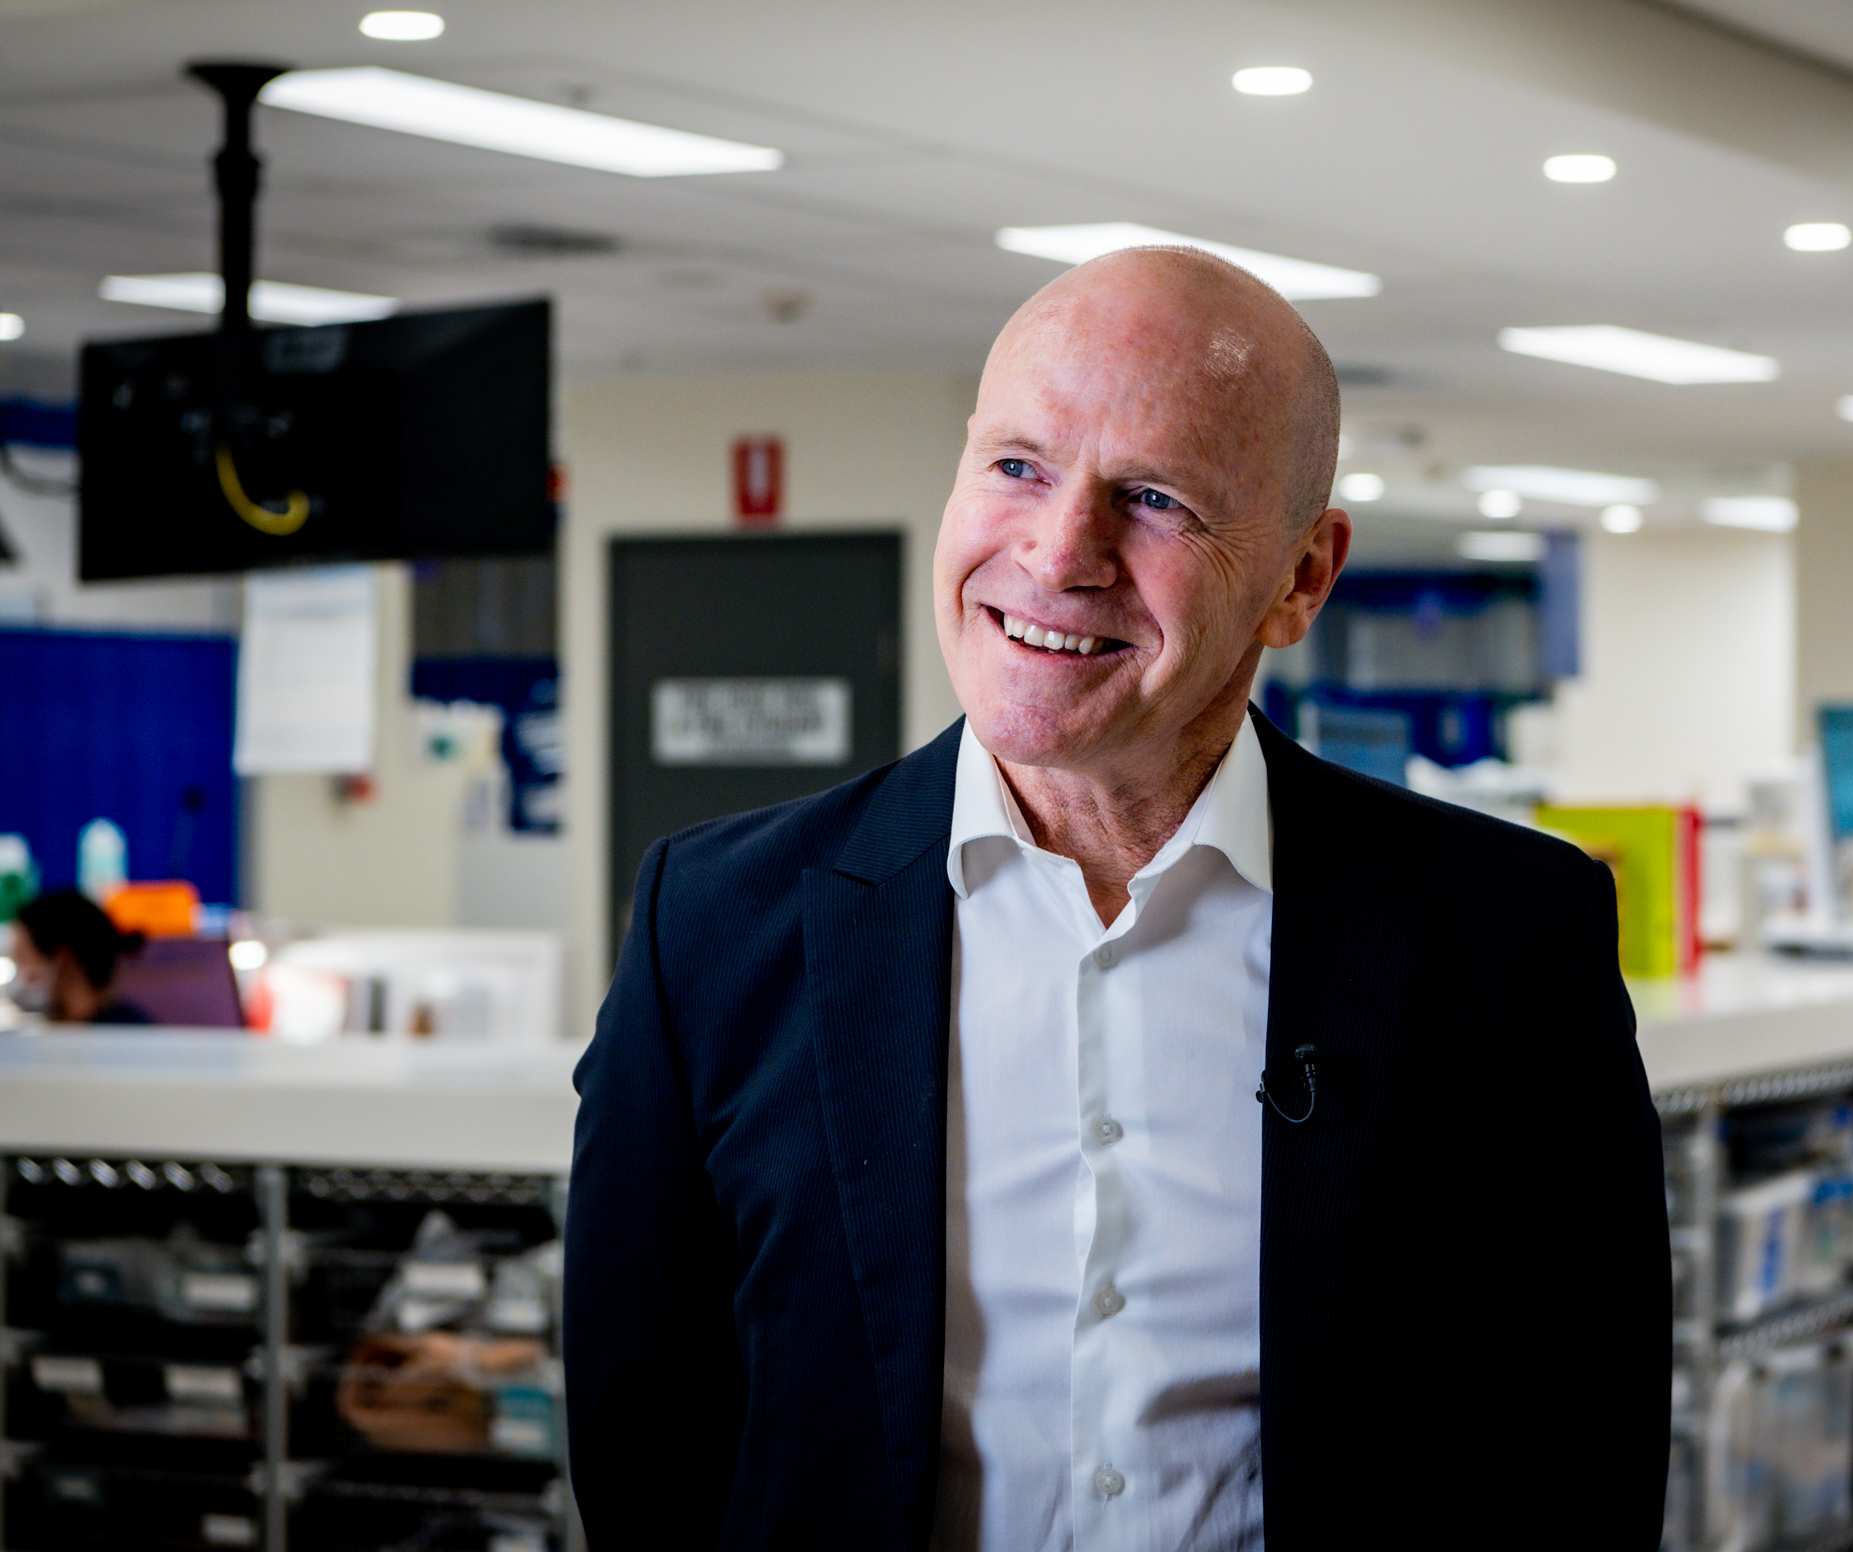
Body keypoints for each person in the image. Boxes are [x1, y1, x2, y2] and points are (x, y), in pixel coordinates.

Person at [564, 247, 1667, 1550]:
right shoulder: (717, 924)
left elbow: (1581, 1443)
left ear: (1303, 578)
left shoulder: (1501, 938)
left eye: (1153, 498)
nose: (1058, 550)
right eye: (1017, 466)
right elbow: (646, 1437)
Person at [10, 889, 152, 1026]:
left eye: (22, 957)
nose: (19, 973)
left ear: (64, 960)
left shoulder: (130, 1035)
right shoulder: (46, 1033)